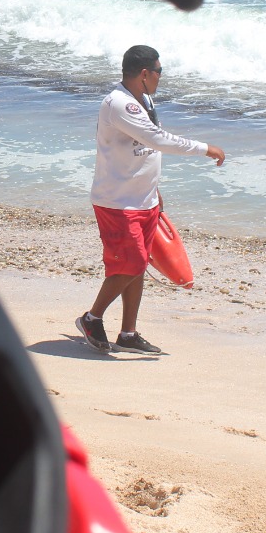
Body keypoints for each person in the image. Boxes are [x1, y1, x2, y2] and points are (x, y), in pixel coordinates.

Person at [76, 45, 225, 355]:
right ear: (144, 74)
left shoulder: (143, 100)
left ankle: (128, 333)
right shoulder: (120, 105)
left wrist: (154, 190)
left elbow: (144, 150)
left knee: (138, 266)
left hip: (143, 199)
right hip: (118, 202)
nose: (160, 77)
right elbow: (157, 140)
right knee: (131, 264)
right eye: (159, 71)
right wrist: (204, 148)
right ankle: (92, 318)